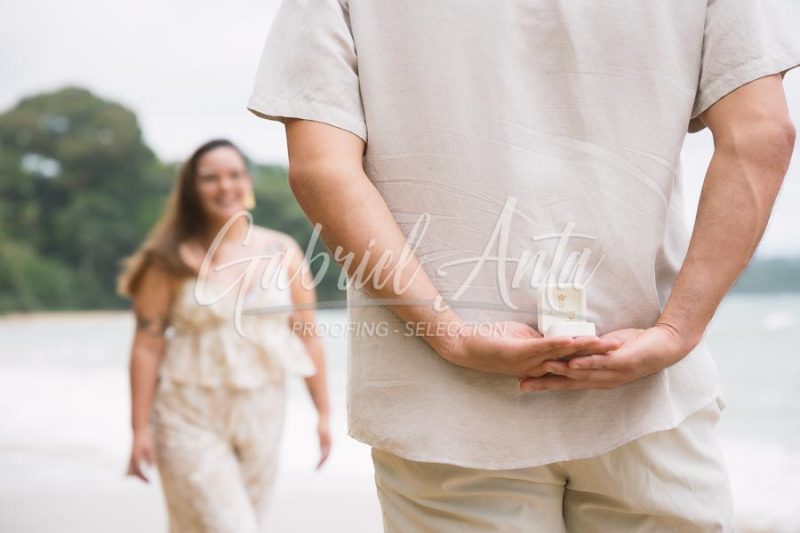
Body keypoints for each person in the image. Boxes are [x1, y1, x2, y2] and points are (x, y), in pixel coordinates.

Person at [247, 0, 799, 530]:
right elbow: (762, 134)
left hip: (443, 404)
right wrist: (679, 329)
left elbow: (322, 170)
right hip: (644, 386)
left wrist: (451, 336)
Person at [117, 139, 331, 532]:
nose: (224, 186)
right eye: (209, 178)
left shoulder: (282, 252)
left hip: (264, 411)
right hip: (187, 413)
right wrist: (139, 429)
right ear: (191, 189)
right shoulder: (167, 259)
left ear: (247, 181)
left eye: (234, 175)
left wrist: (324, 414)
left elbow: (308, 336)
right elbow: (146, 347)